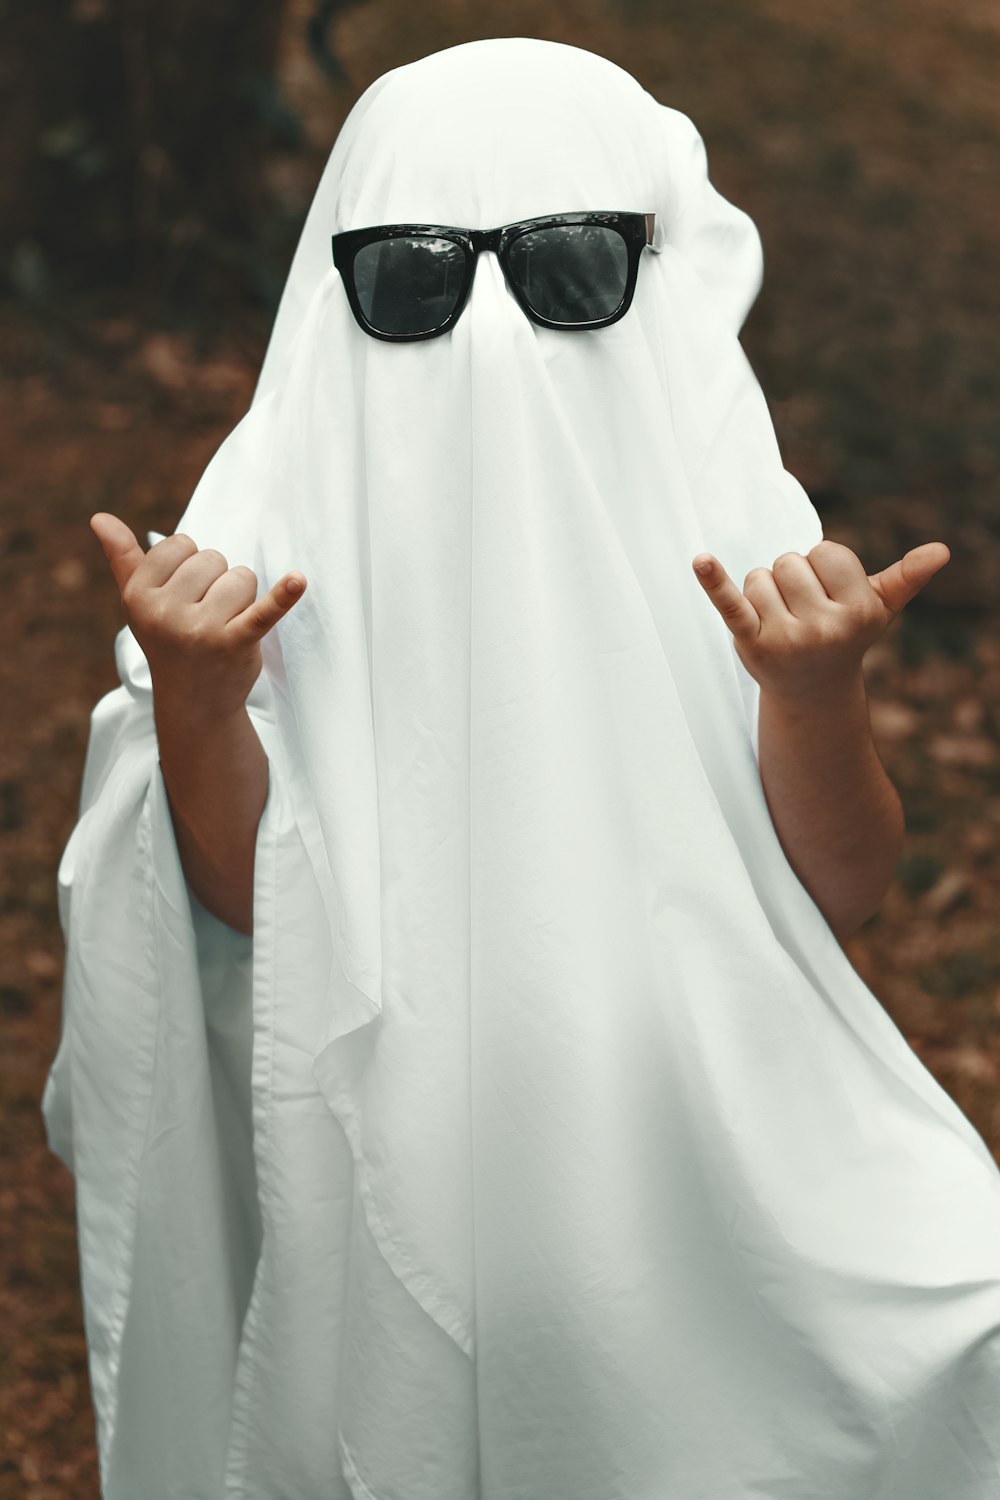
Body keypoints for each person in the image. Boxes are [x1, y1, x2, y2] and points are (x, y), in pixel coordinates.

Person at [43, 37, 1000, 1500]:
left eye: (564, 269)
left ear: (656, 271)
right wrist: (198, 691)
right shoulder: (255, 552)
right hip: (378, 1181)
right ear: (336, 289)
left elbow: (840, 890)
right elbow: (248, 912)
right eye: (417, 281)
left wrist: (813, 693)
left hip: (709, 1166)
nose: (491, 330)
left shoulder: (725, 518)